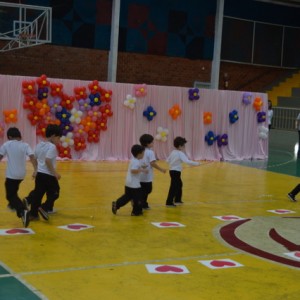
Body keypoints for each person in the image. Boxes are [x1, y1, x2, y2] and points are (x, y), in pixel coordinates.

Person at [0, 127, 37, 227]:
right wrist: (35, 170)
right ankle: (14, 206)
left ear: (10, 136)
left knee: (10, 195)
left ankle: (22, 210)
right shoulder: (25, 145)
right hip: (21, 175)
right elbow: (32, 157)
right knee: (13, 192)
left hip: (11, 175)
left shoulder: (7, 144)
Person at [27, 124, 62, 221]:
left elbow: (33, 158)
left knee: (38, 194)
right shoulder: (52, 147)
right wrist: (55, 173)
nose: (59, 141)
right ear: (53, 136)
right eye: (58, 138)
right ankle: (44, 207)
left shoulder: (39, 145)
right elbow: (48, 160)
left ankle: (33, 214)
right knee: (55, 192)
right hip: (49, 175)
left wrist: (35, 170)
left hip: (40, 175)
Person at [112, 144, 147, 216]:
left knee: (127, 197)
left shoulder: (134, 160)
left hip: (129, 183)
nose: (144, 154)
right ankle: (136, 212)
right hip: (134, 185)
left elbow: (134, 167)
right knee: (138, 198)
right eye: (143, 153)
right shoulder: (136, 161)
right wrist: (142, 170)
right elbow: (133, 170)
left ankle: (117, 204)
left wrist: (141, 167)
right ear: (139, 154)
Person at [165, 136, 200, 207]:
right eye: (183, 145)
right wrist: (197, 163)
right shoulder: (180, 153)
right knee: (174, 186)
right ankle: (169, 202)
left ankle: (177, 200)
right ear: (180, 146)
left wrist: (174, 163)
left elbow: (167, 161)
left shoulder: (173, 152)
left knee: (179, 184)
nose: (184, 146)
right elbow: (186, 161)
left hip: (172, 171)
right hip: (176, 172)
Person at [139, 134, 167, 210]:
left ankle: (143, 204)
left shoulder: (140, 150)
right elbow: (152, 163)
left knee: (143, 189)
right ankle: (139, 202)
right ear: (148, 143)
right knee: (148, 189)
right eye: (152, 142)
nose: (153, 143)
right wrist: (161, 169)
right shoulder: (150, 152)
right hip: (146, 176)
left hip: (139, 175)